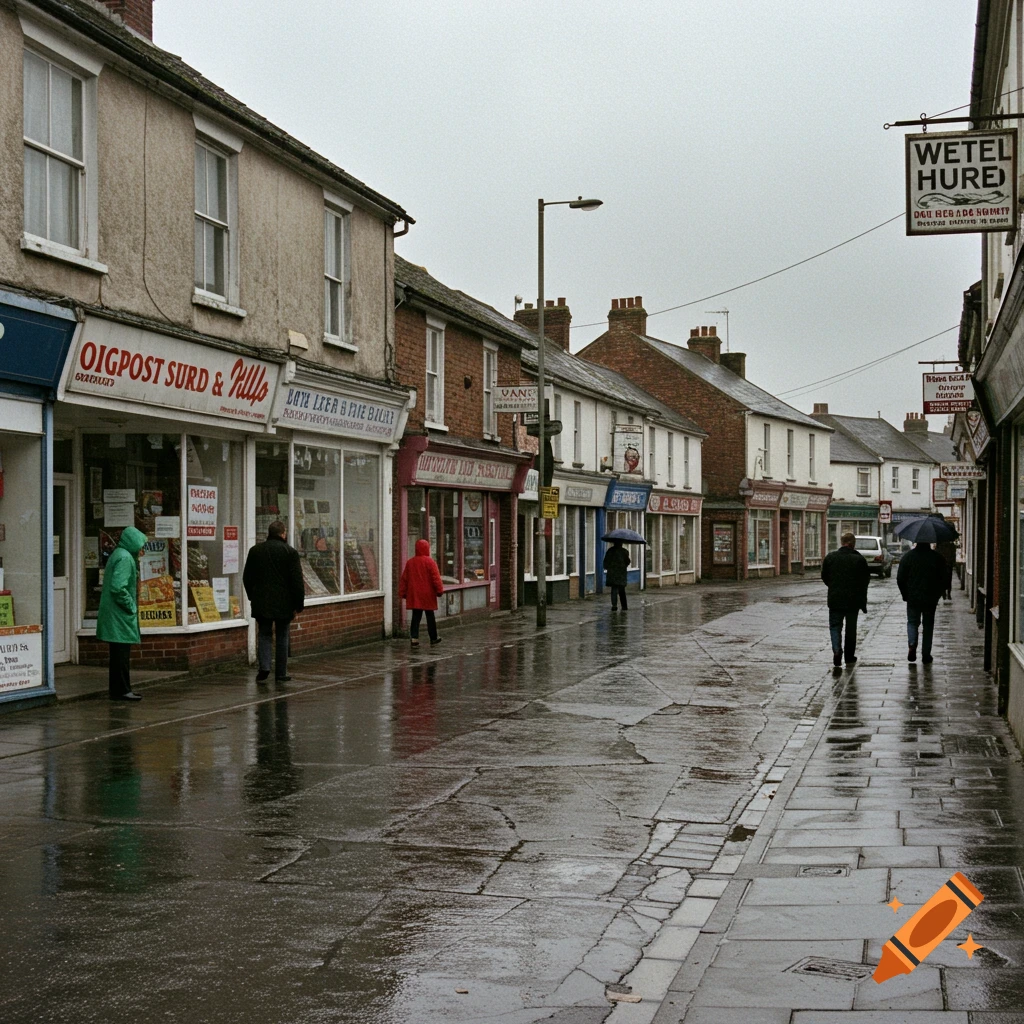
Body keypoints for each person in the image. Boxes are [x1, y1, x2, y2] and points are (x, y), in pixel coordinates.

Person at [242, 521, 305, 681]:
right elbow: (297, 581)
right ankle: (281, 672)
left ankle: (264, 667)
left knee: (264, 633)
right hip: (285, 603)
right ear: (283, 534)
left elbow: (247, 577)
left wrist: (252, 596)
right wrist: (298, 605)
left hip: (261, 601)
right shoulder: (290, 552)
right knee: (282, 635)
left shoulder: (255, 551)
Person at [96, 526, 148, 701]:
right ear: (133, 543)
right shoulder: (126, 559)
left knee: (118, 654)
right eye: (140, 546)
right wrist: (131, 606)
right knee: (121, 656)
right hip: (119, 614)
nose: (142, 550)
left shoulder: (119, 554)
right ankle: (123, 690)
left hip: (113, 613)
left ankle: (119, 689)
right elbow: (118, 588)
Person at [820, 531, 870, 667]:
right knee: (851, 629)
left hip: (835, 599)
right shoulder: (859, 559)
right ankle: (849, 656)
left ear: (842, 543)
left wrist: (833, 586)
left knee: (835, 626)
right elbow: (865, 581)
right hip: (853, 601)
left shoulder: (831, 558)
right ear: (853, 544)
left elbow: (825, 576)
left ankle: (837, 651)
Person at [897, 540, 948, 663]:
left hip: (913, 598)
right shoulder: (937, 557)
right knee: (928, 626)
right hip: (930, 598)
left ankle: (912, 644)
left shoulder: (908, 557)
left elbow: (900, 578)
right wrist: (938, 594)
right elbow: (944, 578)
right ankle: (926, 654)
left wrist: (905, 595)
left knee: (912, 623)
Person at [399, 539, 444, 646]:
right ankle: (433, 637)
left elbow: (404, 579)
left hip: (415, 593)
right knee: (430, 616)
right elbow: (436, 578)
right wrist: (439, 590)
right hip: (428, 594)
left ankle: (414, 638)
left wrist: (403, 592)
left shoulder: (410, 563)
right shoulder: (430, 562)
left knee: (416, 616)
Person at [604, 539, 631, 611]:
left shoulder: (610, 551)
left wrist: (609, 567)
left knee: (614, 589)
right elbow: (628, 562)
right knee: (621, 590)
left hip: (612, 574)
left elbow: (605, 563)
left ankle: (614, 605)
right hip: (621, 574)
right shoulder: (624, 552)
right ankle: (624, 606)